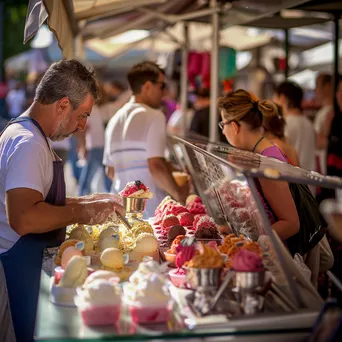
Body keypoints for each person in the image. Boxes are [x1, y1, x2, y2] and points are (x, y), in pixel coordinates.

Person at [0, 60, 125, 342]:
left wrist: (89, 200)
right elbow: (23, 218)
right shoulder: (28, 143)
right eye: (82, 116)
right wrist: (83, 212)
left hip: (24, 266)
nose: (82, 126)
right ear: (63, 105)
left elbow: (38, 198)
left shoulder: (30, 134)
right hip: (13, 272)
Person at [103, 61, 189, 217]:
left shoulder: (114, 121)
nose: (164, 93)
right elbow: (155, 166)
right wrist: (181, 196)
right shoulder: (154, 116)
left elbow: (110, 171)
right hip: (150, 212)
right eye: (162, 86)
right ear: (148, 86)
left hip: (120, 210)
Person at [217, 89, 300, 241]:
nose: (222, 132)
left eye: (223, 124)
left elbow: (291, 223)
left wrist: (251, 242)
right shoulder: (260, 153)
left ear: (235, 126)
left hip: (279, 255)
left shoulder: (267, 162)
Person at [77, 83, 112, 195]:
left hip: (94, 146)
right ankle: (114, 201)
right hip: (106, 147)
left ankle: (80, 203)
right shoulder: (107, 109)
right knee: (108, 180)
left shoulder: (89, 111)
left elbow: (82, 130)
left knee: (86, 181)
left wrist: (83, 147)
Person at [273, 81, 316, 172]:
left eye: (275, 97)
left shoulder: (285, 124)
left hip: (295, 181)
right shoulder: (308, 123)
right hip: (311, 181)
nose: (273, 101)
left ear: (282, 98)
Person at [314, 73, 333, 175]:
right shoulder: (325, 112)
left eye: (317, 85)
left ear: (327, 86)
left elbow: (318, 142)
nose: (315, 90)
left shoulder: (326, 113)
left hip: (326, 170)